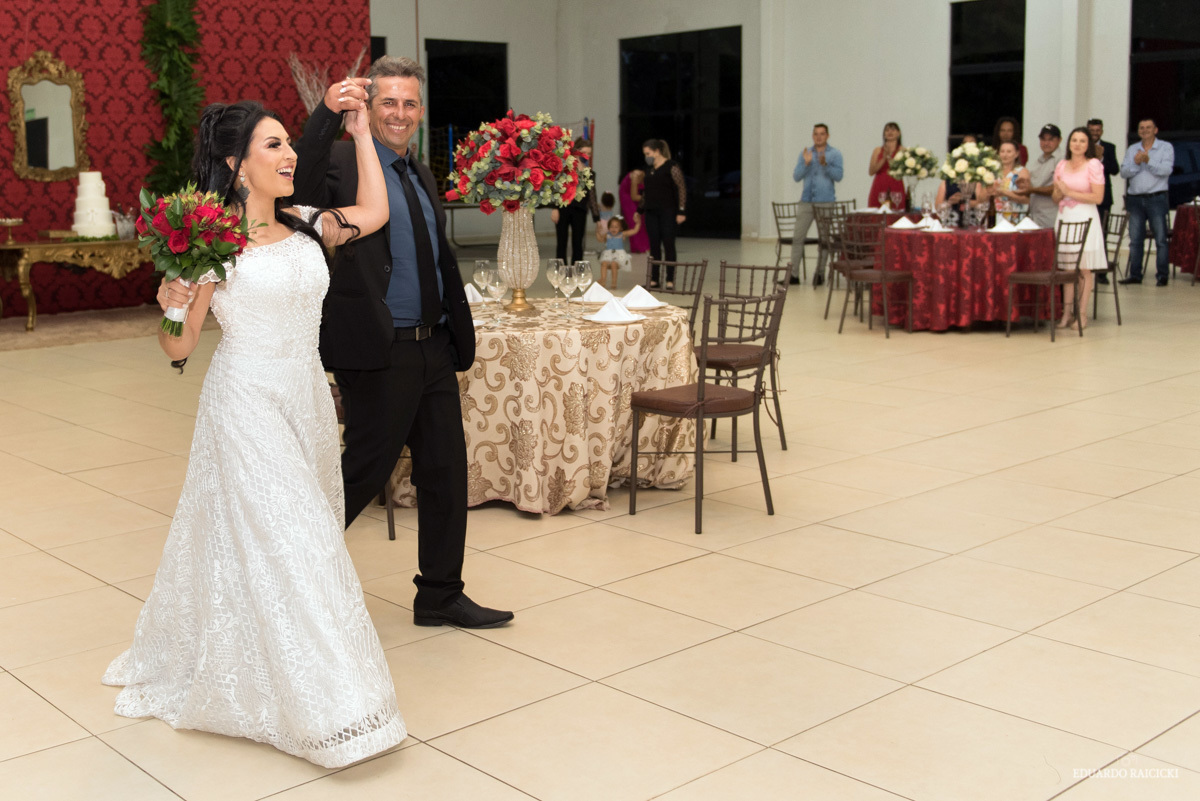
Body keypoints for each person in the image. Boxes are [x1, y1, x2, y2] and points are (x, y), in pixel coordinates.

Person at [103, 99, 407, 767]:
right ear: (237, 166)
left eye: (288, 143)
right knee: (299, 543)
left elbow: (375, 212)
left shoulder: (306, 222)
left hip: (306, 398)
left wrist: (361, 135)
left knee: (295, 539)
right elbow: (179, 349)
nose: (290, 154)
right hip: (246, 402)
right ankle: (335, 713)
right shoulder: (212, 245)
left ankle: (271, 666)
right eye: (274, 145)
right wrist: (172, 306)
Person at [292, 56, 513, 628]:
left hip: (433, 344)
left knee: (445, 472)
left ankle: (439, 594)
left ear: (420, 110)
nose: (399, 113)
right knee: (364, 470)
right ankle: (284, 574)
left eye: (409, 103)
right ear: (368, 107)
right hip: (379, 347)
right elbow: (299, 184)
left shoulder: (419, 172)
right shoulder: (344, 161)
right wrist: (327, 114)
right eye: (388, 101)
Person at [1052, 127, 1107, 328]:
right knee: (1067, 269)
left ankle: (1082, 314)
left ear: (1088, 145)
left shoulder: (1093, 164)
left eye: (1082, 141)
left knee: (1083, 268)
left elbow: (1098, 197)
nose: (1077, 144)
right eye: (1074, 140)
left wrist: (1070, 192)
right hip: (1065, 216)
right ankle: (1066, 313)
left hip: (1085, 217)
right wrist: (1060, 192)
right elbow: (1055, 196)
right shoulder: (1061, 165)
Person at [1119, 117, 1175, 286]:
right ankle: (1135, 275)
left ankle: (1162, 276)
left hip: (1156, 198)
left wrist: (1148, 161)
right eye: (1141, 128)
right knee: (1135, 240)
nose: (1144, 130)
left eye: (1148, 127)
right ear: (1138, 131)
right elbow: (1123, 172)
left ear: (1155, 130)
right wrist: (1136, 164)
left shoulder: (1165, 147)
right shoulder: (1132, 149)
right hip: (1135, 199)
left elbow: (1166, 170)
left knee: (1160, 239)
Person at [790, 122, 844, 286]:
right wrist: (806, 163)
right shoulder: (806, 153)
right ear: (812, 136)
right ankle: (793, 275)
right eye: (816, 134)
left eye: (822, 134)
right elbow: (796, 176)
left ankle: (819, 274)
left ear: (827, 136)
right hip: (806, 201)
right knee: (798, 237)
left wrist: (825, 165)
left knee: (824, 240)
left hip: (825, 202)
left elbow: (839, 176)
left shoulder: (835, 154)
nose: (818, 137)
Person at [641, 138, 687, 288]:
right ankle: (654, 278)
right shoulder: (649, 169)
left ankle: (670, 279)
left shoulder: (671, 166)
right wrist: (640, 209)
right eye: (645, 154)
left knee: (668, 244)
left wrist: (681, 211)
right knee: (654, 245)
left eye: (648, 153)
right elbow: (646, 192)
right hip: (651, 212)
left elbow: (681, 188)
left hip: (668, 211)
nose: (646, 157)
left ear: (657, 151)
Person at [551, 138, 600, 265]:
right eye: (584, 152)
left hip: (580, 210)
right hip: (563, 208)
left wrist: (597, 218)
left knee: (578, 243)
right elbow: (557, 189)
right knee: (561, 242)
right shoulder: (565, 169)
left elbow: (592, 196)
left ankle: (577, 271)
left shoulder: (590, 173)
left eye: (589, 153)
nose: (586, 155)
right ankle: (561, 271)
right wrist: (555, 208)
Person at [935, 133, 986, 224]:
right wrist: (949, 202)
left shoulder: (979, 176)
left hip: (972, 223)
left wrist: (963, 200)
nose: (968, 146)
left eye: (971, 143)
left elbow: (982, 204)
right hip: (951, 222)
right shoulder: (949, 177)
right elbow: (937, 206)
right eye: (965, 143)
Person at [1019, 124, 1063, 229]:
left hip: (1050, 217)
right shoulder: (1037, 160)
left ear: (1059, 140)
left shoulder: (1062, 160)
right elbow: (1031, 185)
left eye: (1050, 139)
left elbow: (1057, 188)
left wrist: (1032, 190)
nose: (1046, 143)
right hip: (1034, 216)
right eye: (1043, 139)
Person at [597, 212, 642, 289]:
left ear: (620, 228)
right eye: (611, 227)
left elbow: (634, 231)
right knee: (604, 263)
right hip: (608, 255)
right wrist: (597, 231)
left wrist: (638, 223)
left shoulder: (622, 234)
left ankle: (614, 283)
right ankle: (603, 280)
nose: (613, 229)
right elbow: (600, 239)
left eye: (616, 227)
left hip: (618, 256)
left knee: (614, 264)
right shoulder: (607, 235)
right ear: (608, 227)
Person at [867, 122, 905, 209]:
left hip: (896, 184)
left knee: (897, 211)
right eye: (887, 130)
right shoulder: (877, 150)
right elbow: (871, 172)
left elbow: (902, 171)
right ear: (884, 134)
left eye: (893, 130)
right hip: (880, 185)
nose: (890, 132)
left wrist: (890, 158)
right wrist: (883, 158)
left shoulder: (903, 150)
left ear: (898, 133)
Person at [990, 141, 1031, 222]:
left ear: (1016, 154)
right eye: (1002, 151)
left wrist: (1004, 193)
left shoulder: (1022, 172)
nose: (1005, 155)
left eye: (1009, 152)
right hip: (996, 216)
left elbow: (1026, 199)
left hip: (1015, 217)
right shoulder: (993, 172)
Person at [618, 168, 650, 258]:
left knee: (641, 220)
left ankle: (642, 246)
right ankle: (638, 247)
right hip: (627, 197)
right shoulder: (636, 176)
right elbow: (634, 196)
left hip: (636, 198)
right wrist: (650, 198)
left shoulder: (647, 179)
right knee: (634, 221)